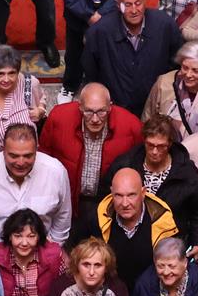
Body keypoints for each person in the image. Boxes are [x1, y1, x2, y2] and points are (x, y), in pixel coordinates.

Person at [103, 116, 198, 261]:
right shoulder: (126, 164)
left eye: (161, 146)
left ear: (170, 144)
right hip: (129, 239)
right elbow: (105, 201)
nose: (154, 151)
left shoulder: (185, 172)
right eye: (150, 145)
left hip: (170, 243)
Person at [0, 123, 73, 246]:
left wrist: (51, 251)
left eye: (28, 156)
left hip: (40, 255)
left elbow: (62, 217)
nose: (21, 162)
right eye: (13, 156)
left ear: (36, 150)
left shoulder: (56, 172)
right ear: (3, 150)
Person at [42, 83, 144, 216]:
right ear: (80, 107)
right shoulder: (59, 118)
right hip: (68, 200)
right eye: (89, 111)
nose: (95, 119)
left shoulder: (131, 126)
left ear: (110, 107)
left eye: (102, 111)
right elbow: (44, 157)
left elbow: (139, 165)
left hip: (109, 204)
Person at [84, 0, 184, 113]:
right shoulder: (100, 32)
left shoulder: (165, 25)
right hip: (116, 107)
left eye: (138, 3)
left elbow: (177, 62)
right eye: (128, 5)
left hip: (154, 105)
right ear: (118, 5)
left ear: (145, 0)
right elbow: (91, 71)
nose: (134, 10)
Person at [71, 167, 179, 291]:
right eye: (119, 195)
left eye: (131, 195)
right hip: (107, 295)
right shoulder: (95, 220)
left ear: (143, 193)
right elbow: (74, 254)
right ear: (111, 193)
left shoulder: (163, 222)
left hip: (150, 294)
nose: (125, 203)